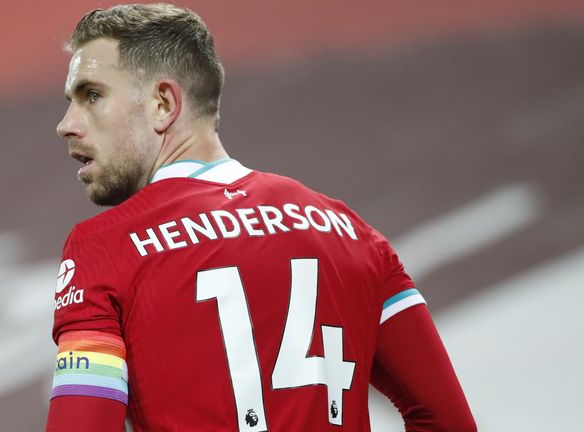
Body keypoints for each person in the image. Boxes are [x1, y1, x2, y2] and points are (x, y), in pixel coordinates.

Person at [46, 4, 476, 431]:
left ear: (163, 103)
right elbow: (450, 422)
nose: (67, 124)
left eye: (92, 95)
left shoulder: (104, 247)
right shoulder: (352, 233)